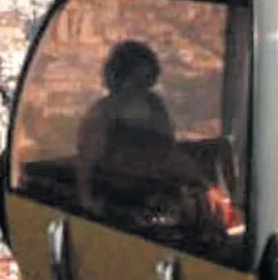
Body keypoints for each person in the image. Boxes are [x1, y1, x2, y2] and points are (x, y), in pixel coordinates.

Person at [75, 41, 227, 229]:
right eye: (135, 78)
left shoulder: (155, 106)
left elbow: (169, 153)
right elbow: (86, 162)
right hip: (116, 203)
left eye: (145, 79)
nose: (140, 85)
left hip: (157, 196)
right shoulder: (102, 114)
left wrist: (206, 186)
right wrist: (88, 203)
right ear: (120, 77)